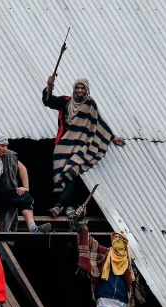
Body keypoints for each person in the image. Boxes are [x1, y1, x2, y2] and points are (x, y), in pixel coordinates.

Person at [43, 76, 125, 218]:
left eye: (82, 88)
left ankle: (60, 205)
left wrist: (111, 137)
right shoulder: (66, 102)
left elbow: (98, 121)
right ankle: (68, 206)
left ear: (86, 90)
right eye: (77, 88)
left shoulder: (90, 104)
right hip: (63, 144)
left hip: (80, 145)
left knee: (72, 170)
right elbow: (48, 101)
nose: (79, 90)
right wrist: (49, 86)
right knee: (60, 173)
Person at [77, 222, 143, 307]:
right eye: (115, 240)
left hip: (123, 305)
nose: (118, 243)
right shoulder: (105, 255)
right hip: (105, 303)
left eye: (121, 240)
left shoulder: (130, 263)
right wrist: (83, 229)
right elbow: (90, 245)